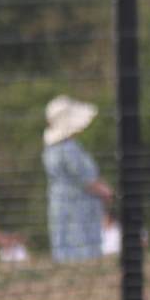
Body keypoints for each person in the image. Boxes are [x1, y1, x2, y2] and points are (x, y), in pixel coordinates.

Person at [42, 95, 112, 262]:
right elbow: (86, 179)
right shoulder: (69, 149)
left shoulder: (51, 149)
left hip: (60, 203)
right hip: (78, 206)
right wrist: (107, 192)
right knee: (81, 245)